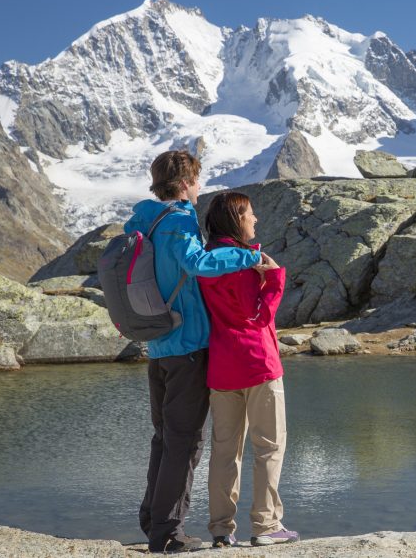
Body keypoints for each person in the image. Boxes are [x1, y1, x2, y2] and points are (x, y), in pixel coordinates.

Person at [127, 150, 263, 553]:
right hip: (187, 346)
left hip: (158, 346)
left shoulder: (144, 219)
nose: (199, 188)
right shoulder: (180, 218)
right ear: (186, 182)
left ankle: (153, 521)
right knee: (184, 443)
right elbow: (197, 263)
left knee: (165, 438)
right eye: (197, 180)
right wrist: (248, 255)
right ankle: (168, 533)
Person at [197, 191, 299, 548]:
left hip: (222, 368)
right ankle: (266, 525)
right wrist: (275, 279)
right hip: (257, 363)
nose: (255, 220)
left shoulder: (204, 262)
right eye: (250, 214)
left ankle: (221, 530)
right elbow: (256, 316)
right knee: (269, 447)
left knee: (225, 451)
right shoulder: (245, 263)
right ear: (236, 218)